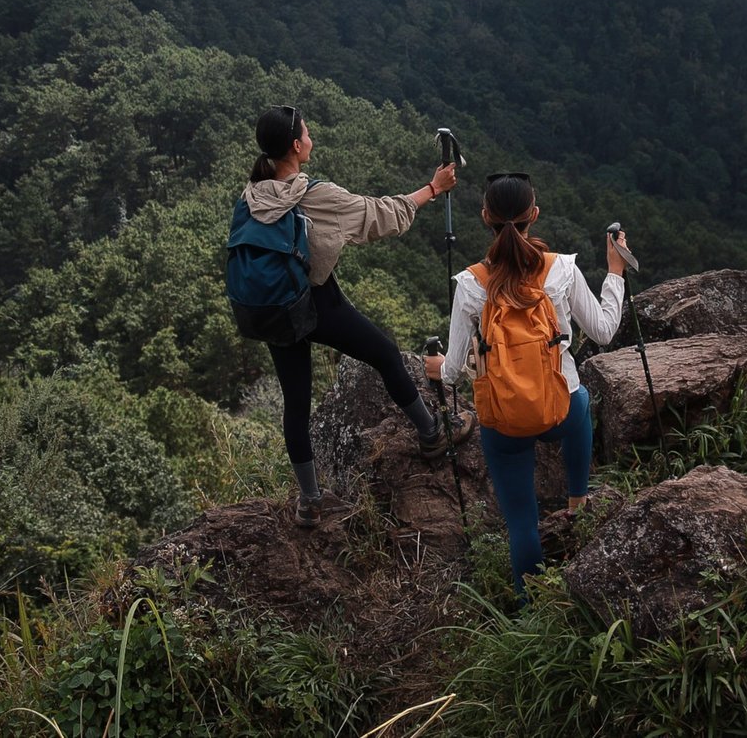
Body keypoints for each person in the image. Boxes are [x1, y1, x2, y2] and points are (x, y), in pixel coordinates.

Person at [242, 104, 473, 528]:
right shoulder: (314, 195)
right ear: (296, 146)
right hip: (315, 301)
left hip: (276, 309)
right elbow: (381, 214)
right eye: (307, 134)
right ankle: (431, 434)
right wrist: (433, 188)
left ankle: (310, 501)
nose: (311, 138)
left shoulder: (253, 194)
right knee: (385, 354)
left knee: (296, 404)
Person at [425, 174, 626, 597]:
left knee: (521, 523)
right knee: (581, 400)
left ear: (485, 218)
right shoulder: (562, 271)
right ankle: (578, 502)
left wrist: (438, 367)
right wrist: (615, 273)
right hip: (561, 411)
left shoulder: (470, 285)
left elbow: (455, 369)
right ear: (534, 215)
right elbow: (605, 331)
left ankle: (530, 610)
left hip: (504, 422)